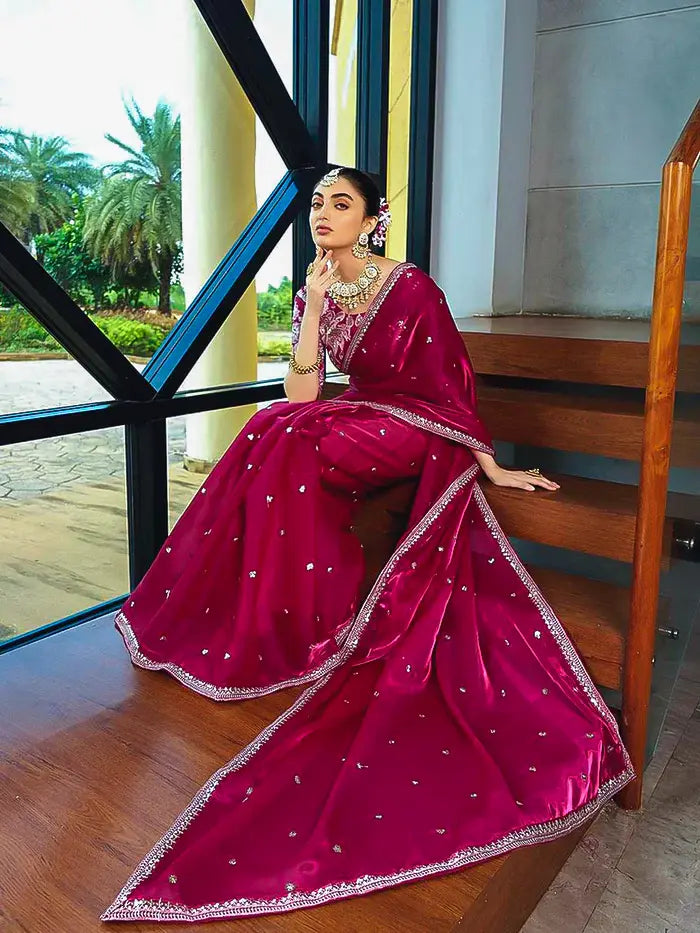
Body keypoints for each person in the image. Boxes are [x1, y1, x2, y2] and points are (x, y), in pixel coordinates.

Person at [101, 167, 634, 924]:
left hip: (417, 425)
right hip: (355, 412)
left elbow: (452, 383)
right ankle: (274, 618)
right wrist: (315, 304)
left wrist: (492, 466)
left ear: (373, 218)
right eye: (318, 202)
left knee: (280, 444)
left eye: (341, 203)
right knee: (268, 427)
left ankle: (302, 627)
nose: (324, 213)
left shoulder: (410, 287)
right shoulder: (317, 283)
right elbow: (302, 393)